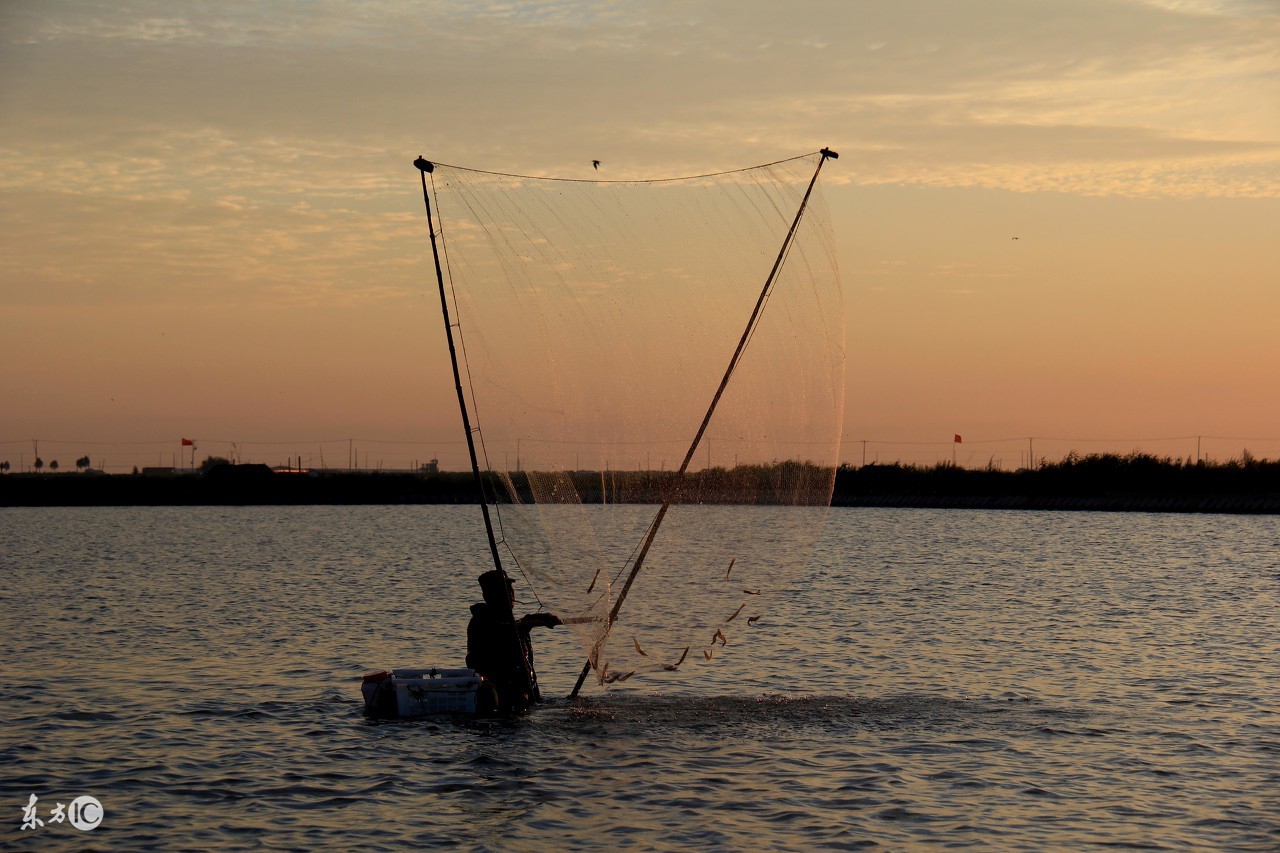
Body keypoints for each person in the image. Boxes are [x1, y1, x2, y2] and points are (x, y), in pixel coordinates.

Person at [466, 570, 561, 714]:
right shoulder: (481, 621)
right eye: (502, 589)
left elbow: (516, 625)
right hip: (501, 700)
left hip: (526, 697)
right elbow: (502, 632)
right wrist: (528, 623)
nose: (510, 593)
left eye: (510, 588)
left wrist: (537, 620)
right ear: (488, 596)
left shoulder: (511, 623)